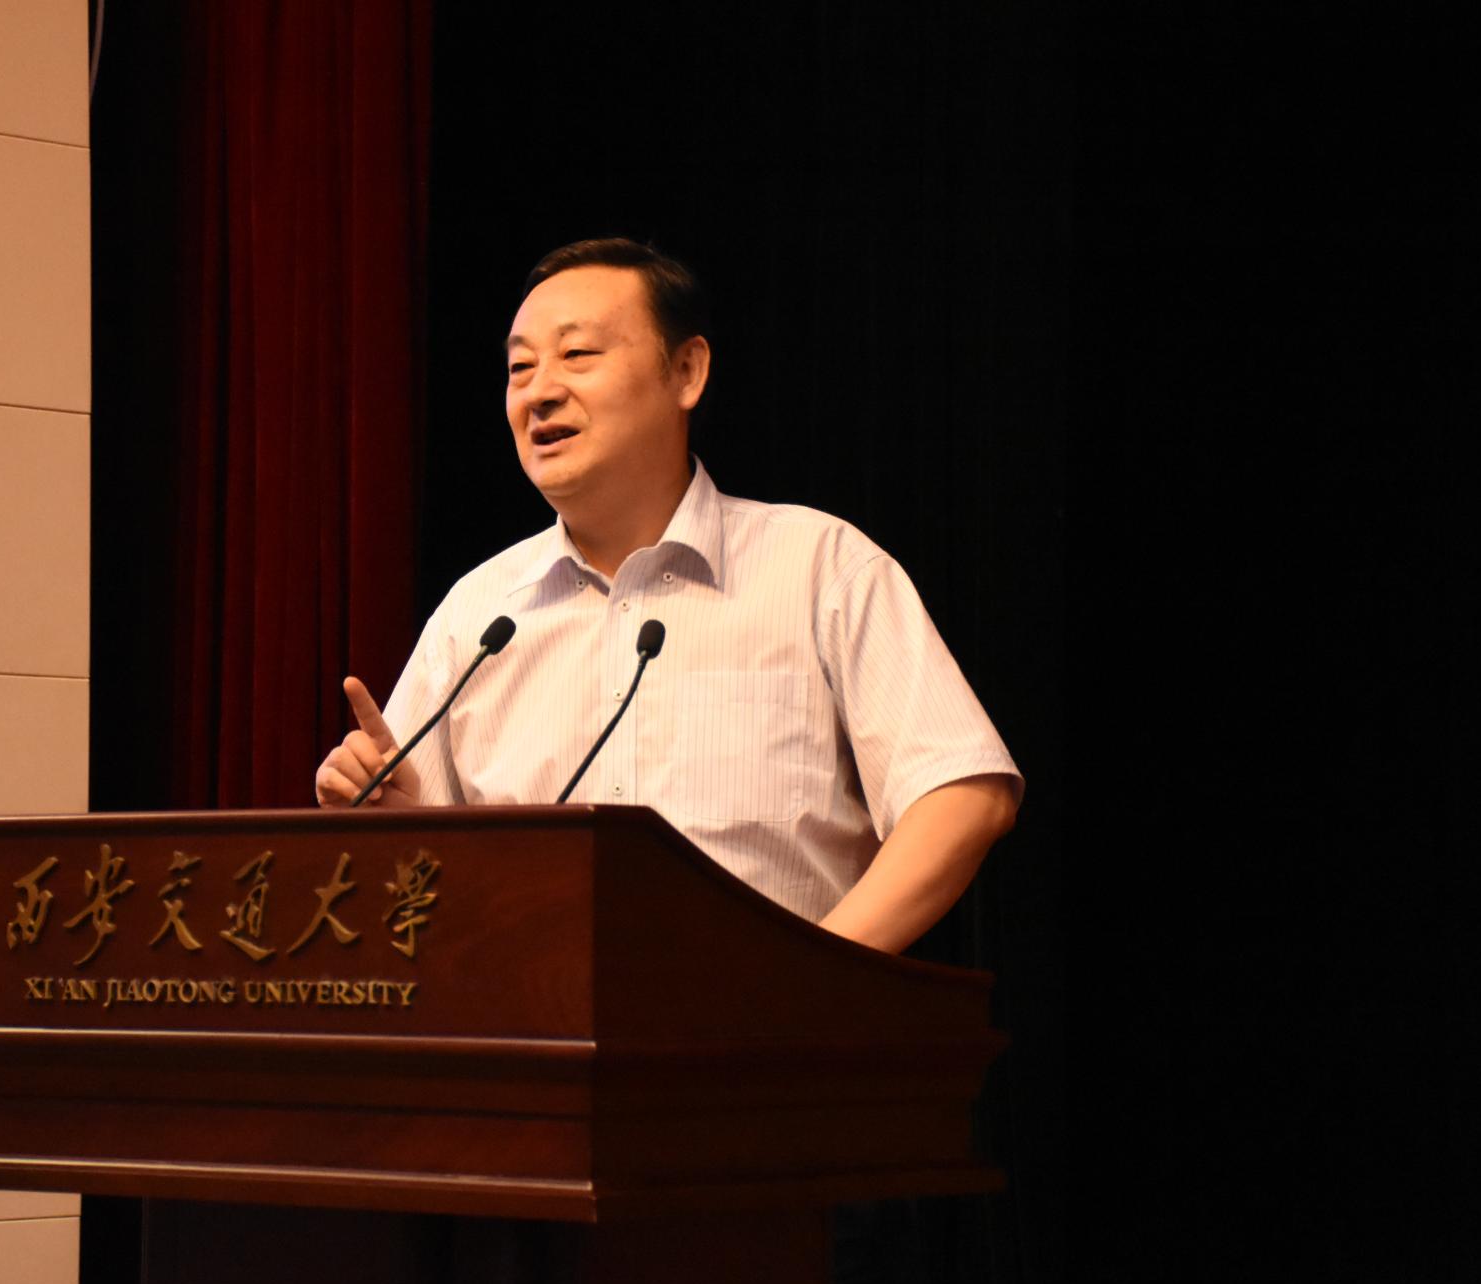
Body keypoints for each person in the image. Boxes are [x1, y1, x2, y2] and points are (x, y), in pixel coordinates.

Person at [314, 238, 1021, 953]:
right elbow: (415, 886)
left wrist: (813, 979)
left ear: (686, 372)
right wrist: (392, 826)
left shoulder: (820, 568)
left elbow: (962, 794)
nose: (539, 390)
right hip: (537, 1019)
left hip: (770, 1017)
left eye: (577, 354)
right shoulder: (477, 615)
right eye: (519, 367)